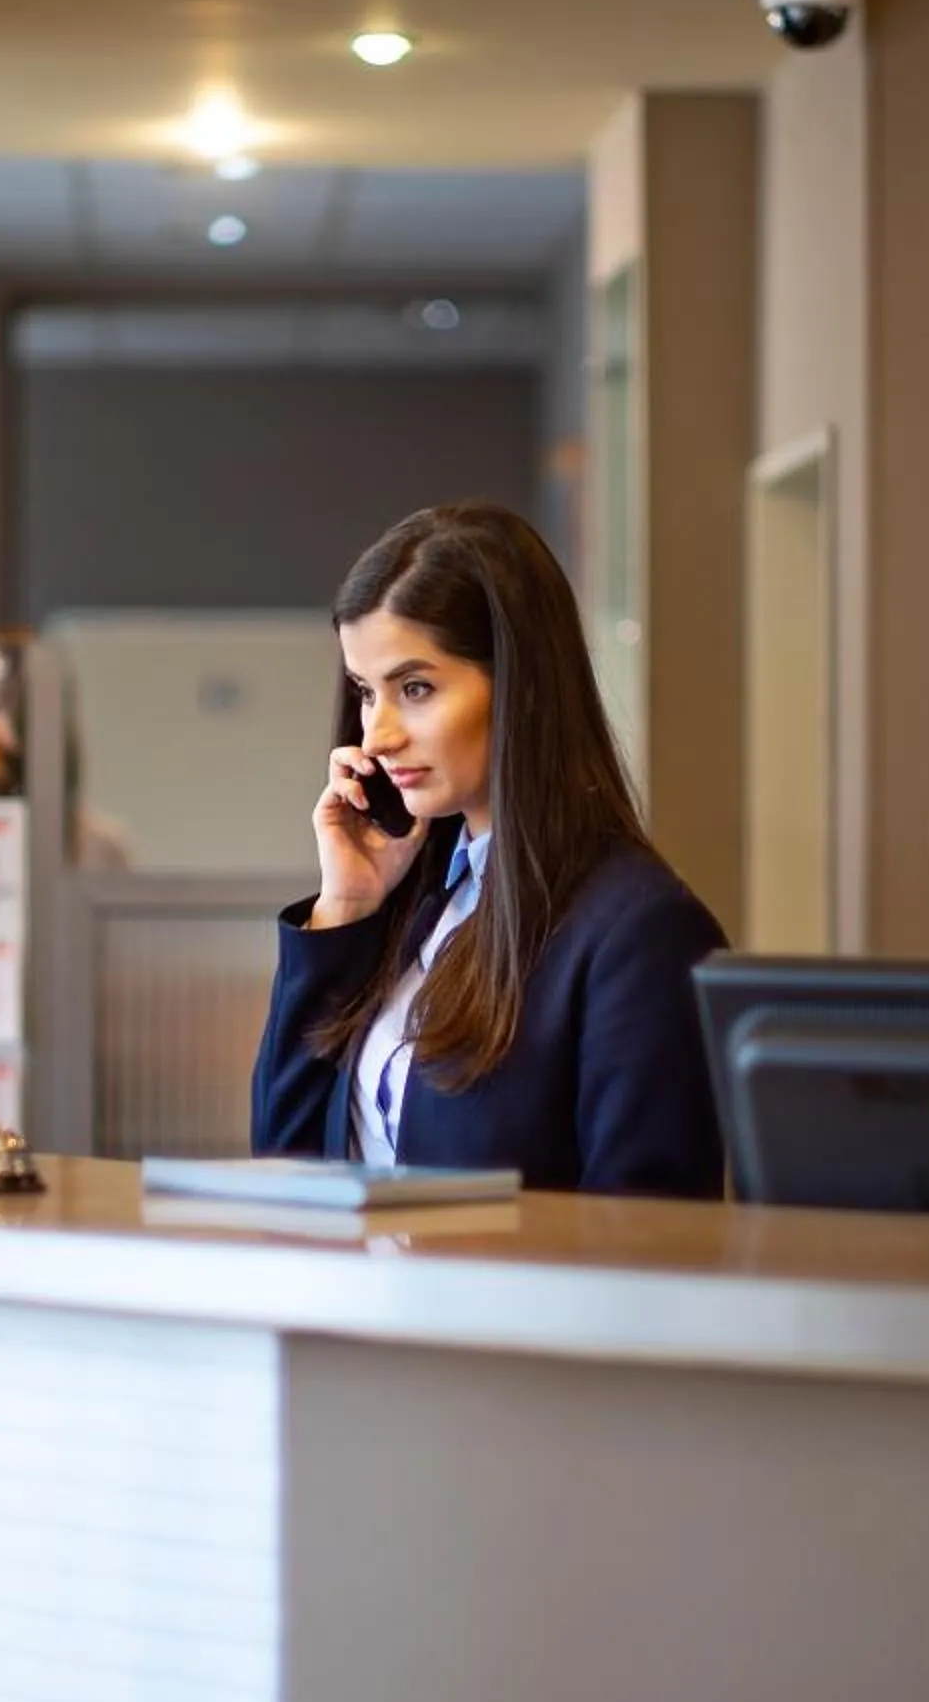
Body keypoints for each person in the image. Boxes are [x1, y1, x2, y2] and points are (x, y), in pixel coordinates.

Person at [249, 503, 730, 1198]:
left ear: (523, 689)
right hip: (365, 1305)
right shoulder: (416, 898)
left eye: (415, 689)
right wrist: (343, 911)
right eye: (365, 692)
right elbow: (285, 1161)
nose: (377, 734)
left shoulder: (639, 933)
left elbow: (648, 1244)